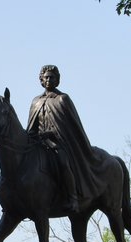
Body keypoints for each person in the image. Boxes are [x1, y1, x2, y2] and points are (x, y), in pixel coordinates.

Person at [27, 65, 100, 213]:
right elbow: (31, 128)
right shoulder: (36, 101)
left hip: (59, 143)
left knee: (63, 163)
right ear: (41, 79)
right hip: (39, 145)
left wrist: (52, 133)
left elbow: (73, 127)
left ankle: (73, 199)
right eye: (46, 77)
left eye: (51, 77)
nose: (48, 80)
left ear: (57, 79)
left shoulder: (62, 99)